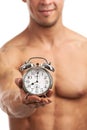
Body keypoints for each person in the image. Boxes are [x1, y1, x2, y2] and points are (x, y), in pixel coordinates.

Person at [0, 0, 87, 130]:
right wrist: (22, 100)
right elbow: (6, 100)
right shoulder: (9, 53)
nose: (46, 2)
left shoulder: (84, 50)